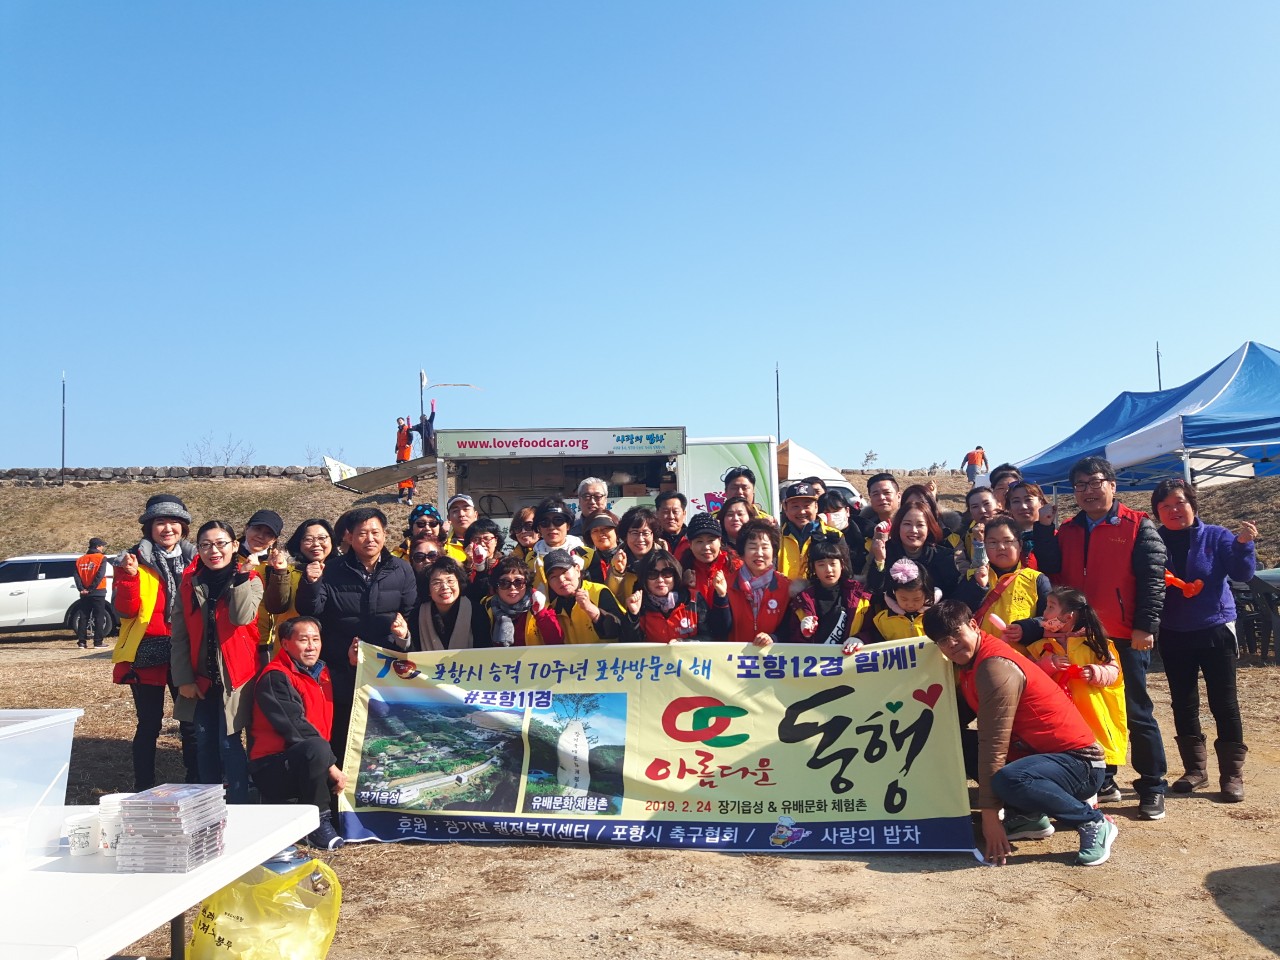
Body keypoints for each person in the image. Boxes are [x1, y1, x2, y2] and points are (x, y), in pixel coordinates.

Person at [923, 600, 1117, 868]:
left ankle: (1092, 822)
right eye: (943, 641)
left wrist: (990, 817)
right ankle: (1027, 816)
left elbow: (993, 743)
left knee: (1010, 779)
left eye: (956, 633)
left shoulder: (994, 666)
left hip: (1080, 763)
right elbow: (954, 720)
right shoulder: (970, 664)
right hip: (1038, 755)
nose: (952, 644)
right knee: (954, 741)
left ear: (973, 625)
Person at [1034, 456, 1169, 820]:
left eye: (1095, 483)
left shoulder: (1138, 525)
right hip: (1079, 636)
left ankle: (1152, 785)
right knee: (1088, 711)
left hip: (1123, 635)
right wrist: (1044, 530)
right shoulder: (1068, 530)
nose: (1088, 491)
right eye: (1080, 485)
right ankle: (1104, 779)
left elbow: (1154, 580)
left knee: (1136, 710)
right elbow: (1051, 569)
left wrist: (1146, 626)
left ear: (1112, 485)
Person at [1151, 478, 1256, 801]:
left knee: (1224, 702)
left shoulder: (1216, 535)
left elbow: (1242, 574)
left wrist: (1243, 545)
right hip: (1174, 631)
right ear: (1157, 512)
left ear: (1193, 505)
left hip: (1215, 627)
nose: (1174, 510)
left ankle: (1232, 775)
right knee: (1183, 702)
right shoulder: (1153, 541)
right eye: (1165, 506)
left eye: (1179, 503)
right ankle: (1195, 770)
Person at [296, 507, 416, 767]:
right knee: (345, 735)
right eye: (362, 533)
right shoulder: (333, 569)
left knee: (388, 737)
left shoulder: (402, 569)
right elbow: (311, 611)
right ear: (349, 537)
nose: (370, 538)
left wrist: (402, 637)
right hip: (342, 668)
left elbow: (409, 614)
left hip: (387, 670)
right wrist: (311, 584)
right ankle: (341, 790)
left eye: (375, 532)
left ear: (385, 534)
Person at [170, 520, 263, 804]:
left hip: (235, 677)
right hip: (201, 677)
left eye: (221, 543)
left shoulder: (252, 580)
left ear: (234, 546)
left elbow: (241, 617)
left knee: (229, 741)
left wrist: (240, 580)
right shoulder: (189, 583)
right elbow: (180, 635)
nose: (214, 551)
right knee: (204, 742)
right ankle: (207, 806)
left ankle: (238, 804)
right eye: (206, 545)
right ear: (198, 549)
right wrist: (184, 679)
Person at [111, 493, 199, 791]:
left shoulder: (197, 559)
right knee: (149, 724)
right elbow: (125, 610)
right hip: (148, 650)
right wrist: (129, 577)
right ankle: (144, 785)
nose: (168, 528)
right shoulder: (131, 559)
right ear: (149, 527)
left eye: (174, 521)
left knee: (190, 723)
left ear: (184, 527)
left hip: (185, 650)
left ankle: (195, 782)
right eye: (160, 522)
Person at [1009, 587, 1128, 806]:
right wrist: (1046, 665)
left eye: (1051, 607)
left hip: (1090, 708)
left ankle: (1106, 783)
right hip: (1059, 711)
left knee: (1098, 742)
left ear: (1068, 616)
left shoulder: (1095, 643)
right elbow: (1028, 674)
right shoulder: (1040, 647)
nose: (1044, 613)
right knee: (1065, 745)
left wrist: (1095, 672)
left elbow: (1114, 670)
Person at [248, 617, 347, 850]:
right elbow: (295, 728)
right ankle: (316, 824)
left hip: (312, 762)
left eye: (316, 639)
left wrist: (353, 664)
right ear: (285, 644)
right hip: (273, 766)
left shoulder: (322, 672)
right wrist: (331, 765)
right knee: (317, 747)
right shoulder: (276, 677)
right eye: (303, 640)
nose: (311, 646)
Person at [954, 516, 1050, 648]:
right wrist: (977, 587)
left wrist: (1026, 629)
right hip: (982, 654)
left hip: (1020, 657)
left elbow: (1049, 620)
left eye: (1008, 541)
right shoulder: (974, 575)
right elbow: (956, 614)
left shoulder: (1036, 579)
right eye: (993, 542)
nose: (1001, 547)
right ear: (984, 546)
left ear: (1020, 545)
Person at [621, 550, 728, 643]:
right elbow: (629, 646)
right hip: (653, 660)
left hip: (688, 660)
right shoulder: (639, 604)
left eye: (666, 573)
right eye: (652, 574)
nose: (660, 580)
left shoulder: (693, 599)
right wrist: (633, 616)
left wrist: (684, 643)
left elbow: (710, 636)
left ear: (675, 575)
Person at [717, 519, 791, 647]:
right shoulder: (726, 585)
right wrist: (721, 597)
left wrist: (773, 638)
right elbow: (720, 629)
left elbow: (790, 628)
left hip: (771, 657)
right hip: (734, 657)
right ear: (742, 552)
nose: (759, 553)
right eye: (752, 547)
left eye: (765, 547)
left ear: (774, 551)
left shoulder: (787, 587)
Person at [787, 532, 870, 646]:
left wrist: (860, 639)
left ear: (842, 565)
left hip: (850, 655)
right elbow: (790, 640)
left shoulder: (859, 595)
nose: (828, 570)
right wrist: (804, 634)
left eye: (833, 563)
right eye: (821, 565)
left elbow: (872, 630)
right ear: (813, 568)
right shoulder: (802, 600)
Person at [866, 503, 961, 600]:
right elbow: (874, 591)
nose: (913, 530)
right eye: (907, 524)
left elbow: (951, 595)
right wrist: (880, 561)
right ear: (898, 526)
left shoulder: (944, 557)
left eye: (920, 525)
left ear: (928, 529)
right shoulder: (886, 552)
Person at [263, 519, 335, 635]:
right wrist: (280, 572)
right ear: (298, 543)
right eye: (308, 539)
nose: (316, 544)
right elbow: (275, 607)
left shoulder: (342, 569)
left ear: (332, 540)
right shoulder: (286, 570)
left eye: (322, 538)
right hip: (292, 640)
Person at [539, 548, 625, 644]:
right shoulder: (554, 607)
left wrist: (591, 609)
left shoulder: (598, 591)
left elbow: (622, 629)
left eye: (564, 572)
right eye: (553, 577)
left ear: (577, 570)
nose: (561, 579)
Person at [238, 508, 285, 665]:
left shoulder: (278, 563)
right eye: (257, 529)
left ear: (274, 540)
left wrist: (277, 572)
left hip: (263, 641)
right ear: (246, 528)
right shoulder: (226, 555)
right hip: (231, 637)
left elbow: (278, 603)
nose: (261, 536)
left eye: (268, 534)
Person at [415, 557, 492, 650]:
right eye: (437, 583)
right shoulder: (417, 615)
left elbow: (485, 650)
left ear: (459, 583)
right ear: (428, 589)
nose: (445, 587)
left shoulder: (477, 612)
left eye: (450, 581)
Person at [859, 559, 937, 647]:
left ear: (926, 594)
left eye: (916, 599)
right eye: (904, 599)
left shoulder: (936, 616)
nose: (910, 604)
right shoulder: (883, 620)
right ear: (894, 593)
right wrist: (859, 639)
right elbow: (873, 640)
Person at [482, 555, 553, 647]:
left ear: (526, 583)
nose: (512, 587)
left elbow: (555, 642)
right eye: (504, 582)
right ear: (496, 586)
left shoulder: (541, 606)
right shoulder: (485, 605)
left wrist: (540, 613)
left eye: (518, 582)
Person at [777, 481, 840, 582]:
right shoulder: (776, 537)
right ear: (785, 508)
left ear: (816, 507)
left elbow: (844, 572)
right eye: (795, 506)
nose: (802, 511)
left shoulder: (834, 536)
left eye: (807, 506)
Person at [680, 511, 742, 606]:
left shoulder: (736, 567)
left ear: (720, 541)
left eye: (711, 540)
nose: (706, 547)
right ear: (690, 544)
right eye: (699, 541)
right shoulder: (683, 569)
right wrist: (683, 587)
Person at [529, 498, 588, 592]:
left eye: (558, 521)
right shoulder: (530, 558)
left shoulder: (587, 555)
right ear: (539, 528)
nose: (551, 527)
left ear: (568, 525)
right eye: (545, 522)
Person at [73, 537, 112, 648]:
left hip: (84, 592)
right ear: (97, 546)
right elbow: (99, 575)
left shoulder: (80, 560)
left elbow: (76, 576)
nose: (102, 548)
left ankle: (82, 642)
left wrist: (82, 589)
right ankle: (98, 642)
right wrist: (91, 589)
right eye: (101, 546)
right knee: (99, 616)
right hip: (98, 591)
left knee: (83, 616)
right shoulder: (101, 558)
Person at [581, 513, 628, 597]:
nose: (600, 533)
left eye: (606, 528)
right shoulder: (586, 561)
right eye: (595, 530)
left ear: (616, 532)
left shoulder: (629, 554)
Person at [444, 494, 480, 561]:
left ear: (475, 515)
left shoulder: (487, 542)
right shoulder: (443, 546)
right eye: (455, 511)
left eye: (466, 509)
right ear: (448, 518)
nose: (461, 514)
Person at [655, 491, 689, 555]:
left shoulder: (693, 539)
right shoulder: (651, 539)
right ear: (657, 513)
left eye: (675, 512)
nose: (671, 516)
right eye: (665, 512)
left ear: (684, 514)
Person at [395, 416, 416, 505]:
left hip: (406, 448)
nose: (399, 422)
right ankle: (400, 496)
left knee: (405, 461)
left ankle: (409, 498)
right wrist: (396, 448)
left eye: (400, 420)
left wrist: (408, 443)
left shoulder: (407, 428)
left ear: (403, 421)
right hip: (400, 448)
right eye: (398, 421)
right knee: (399, 463)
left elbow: (411, 437)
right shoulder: (398, 431)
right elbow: (397, 440)